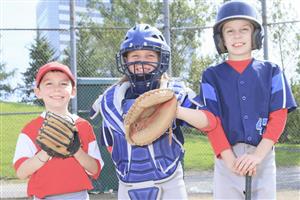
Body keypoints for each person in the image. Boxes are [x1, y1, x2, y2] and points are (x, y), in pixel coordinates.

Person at [90, 23, 217, 199]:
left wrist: (174, 110)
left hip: (169, 182)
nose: (142, 62)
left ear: (161, 59)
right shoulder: (109, 101)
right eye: (135, 56)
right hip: (127, 184)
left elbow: (208, 122)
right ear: (125, 60)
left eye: (150, 56)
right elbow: (111, 146)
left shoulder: (174, 92)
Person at [199, 1, 297, 199]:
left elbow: (278, 116)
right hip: (226, 156)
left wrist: (258, 155)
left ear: (255, 36)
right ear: (221, 39)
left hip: (263, 153)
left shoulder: (272, 71)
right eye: (230, 31)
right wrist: (229, 160)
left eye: (244, 29)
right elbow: (211, 122)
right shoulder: (211, 75)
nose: (237, 35)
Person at [13, 62, 104, 199]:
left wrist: (76, 151)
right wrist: (45, 153)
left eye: (63, 84)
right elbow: (21, 172)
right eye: (49, 84)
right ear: (38, 92)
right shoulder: (30, 129)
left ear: (73, 91)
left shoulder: (83, 126)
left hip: (79, 196)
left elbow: (95, 169)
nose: (57, 89)